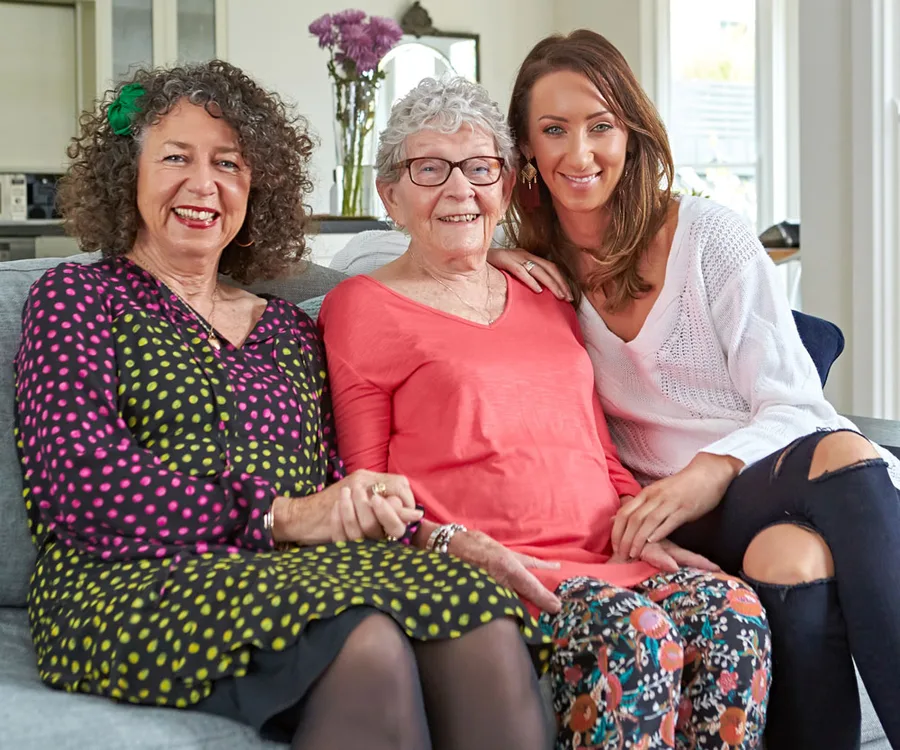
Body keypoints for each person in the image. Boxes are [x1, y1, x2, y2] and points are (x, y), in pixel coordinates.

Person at [14, 61, 555, 750]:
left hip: (290, 571)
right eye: (176, 157)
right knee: (368, 646)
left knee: (478, 612)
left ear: (255, 186)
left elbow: (337, 485)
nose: (204, 184)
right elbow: (80, 485)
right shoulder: (76, 300)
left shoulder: (291, 330)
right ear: (130, 174)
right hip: (126, 579)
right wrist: (283, 516)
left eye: (229, 164)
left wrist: (406, 522)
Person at [319, 76, 771, 750]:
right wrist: (444, 542)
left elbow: (596, 443)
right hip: (493, 570)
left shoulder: (546, 292)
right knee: (637, 636)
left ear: (505, 187)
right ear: (390, 194)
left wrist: (636, 521)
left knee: (734, 612)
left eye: (480, 168)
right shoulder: (360, 305)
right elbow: (368, 489)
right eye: (429, 168)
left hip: (606, 555)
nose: (459, 189)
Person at [486, 29, 900, 750]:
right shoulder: (530, 276)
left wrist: (710, 471)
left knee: (797, 550)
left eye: (601, 126)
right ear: (525, 151)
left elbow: (797, 403)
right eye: (554, 130)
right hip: (658, 520)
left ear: (633, 133)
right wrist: (491, 253)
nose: (580, 154)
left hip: (758, 483)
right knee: (833, 469)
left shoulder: (709, 236)